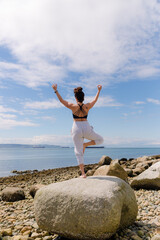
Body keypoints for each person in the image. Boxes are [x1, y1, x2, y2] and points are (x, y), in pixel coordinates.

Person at [52, 84, 104, 178]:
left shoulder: (73, 106)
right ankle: (85, 145)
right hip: (86, 127)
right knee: (101, 140)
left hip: (76, 128)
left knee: (78, 151)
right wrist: (99, 91)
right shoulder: (87, 106)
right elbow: (95, 100)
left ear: (75, 98)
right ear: (83, 98)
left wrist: (56, 90)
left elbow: (62, 101)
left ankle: (83, 173)